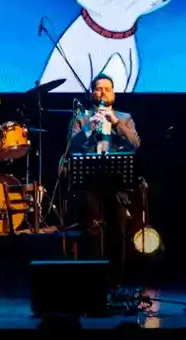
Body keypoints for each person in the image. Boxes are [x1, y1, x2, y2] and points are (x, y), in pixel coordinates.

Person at [68, 74, 141, 285]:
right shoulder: (82, 118)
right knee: (92, 224)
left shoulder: (125, 117)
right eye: (98, 89)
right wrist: (89, 127)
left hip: (117, 185)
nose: (103, 93)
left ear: (114, 94)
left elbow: (135, 144)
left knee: (117, 229)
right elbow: (72, 146)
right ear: (93, 94)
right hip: (89, 184)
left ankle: (117, 280)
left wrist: (116, 123)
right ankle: (92, 281)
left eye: (107, 89)